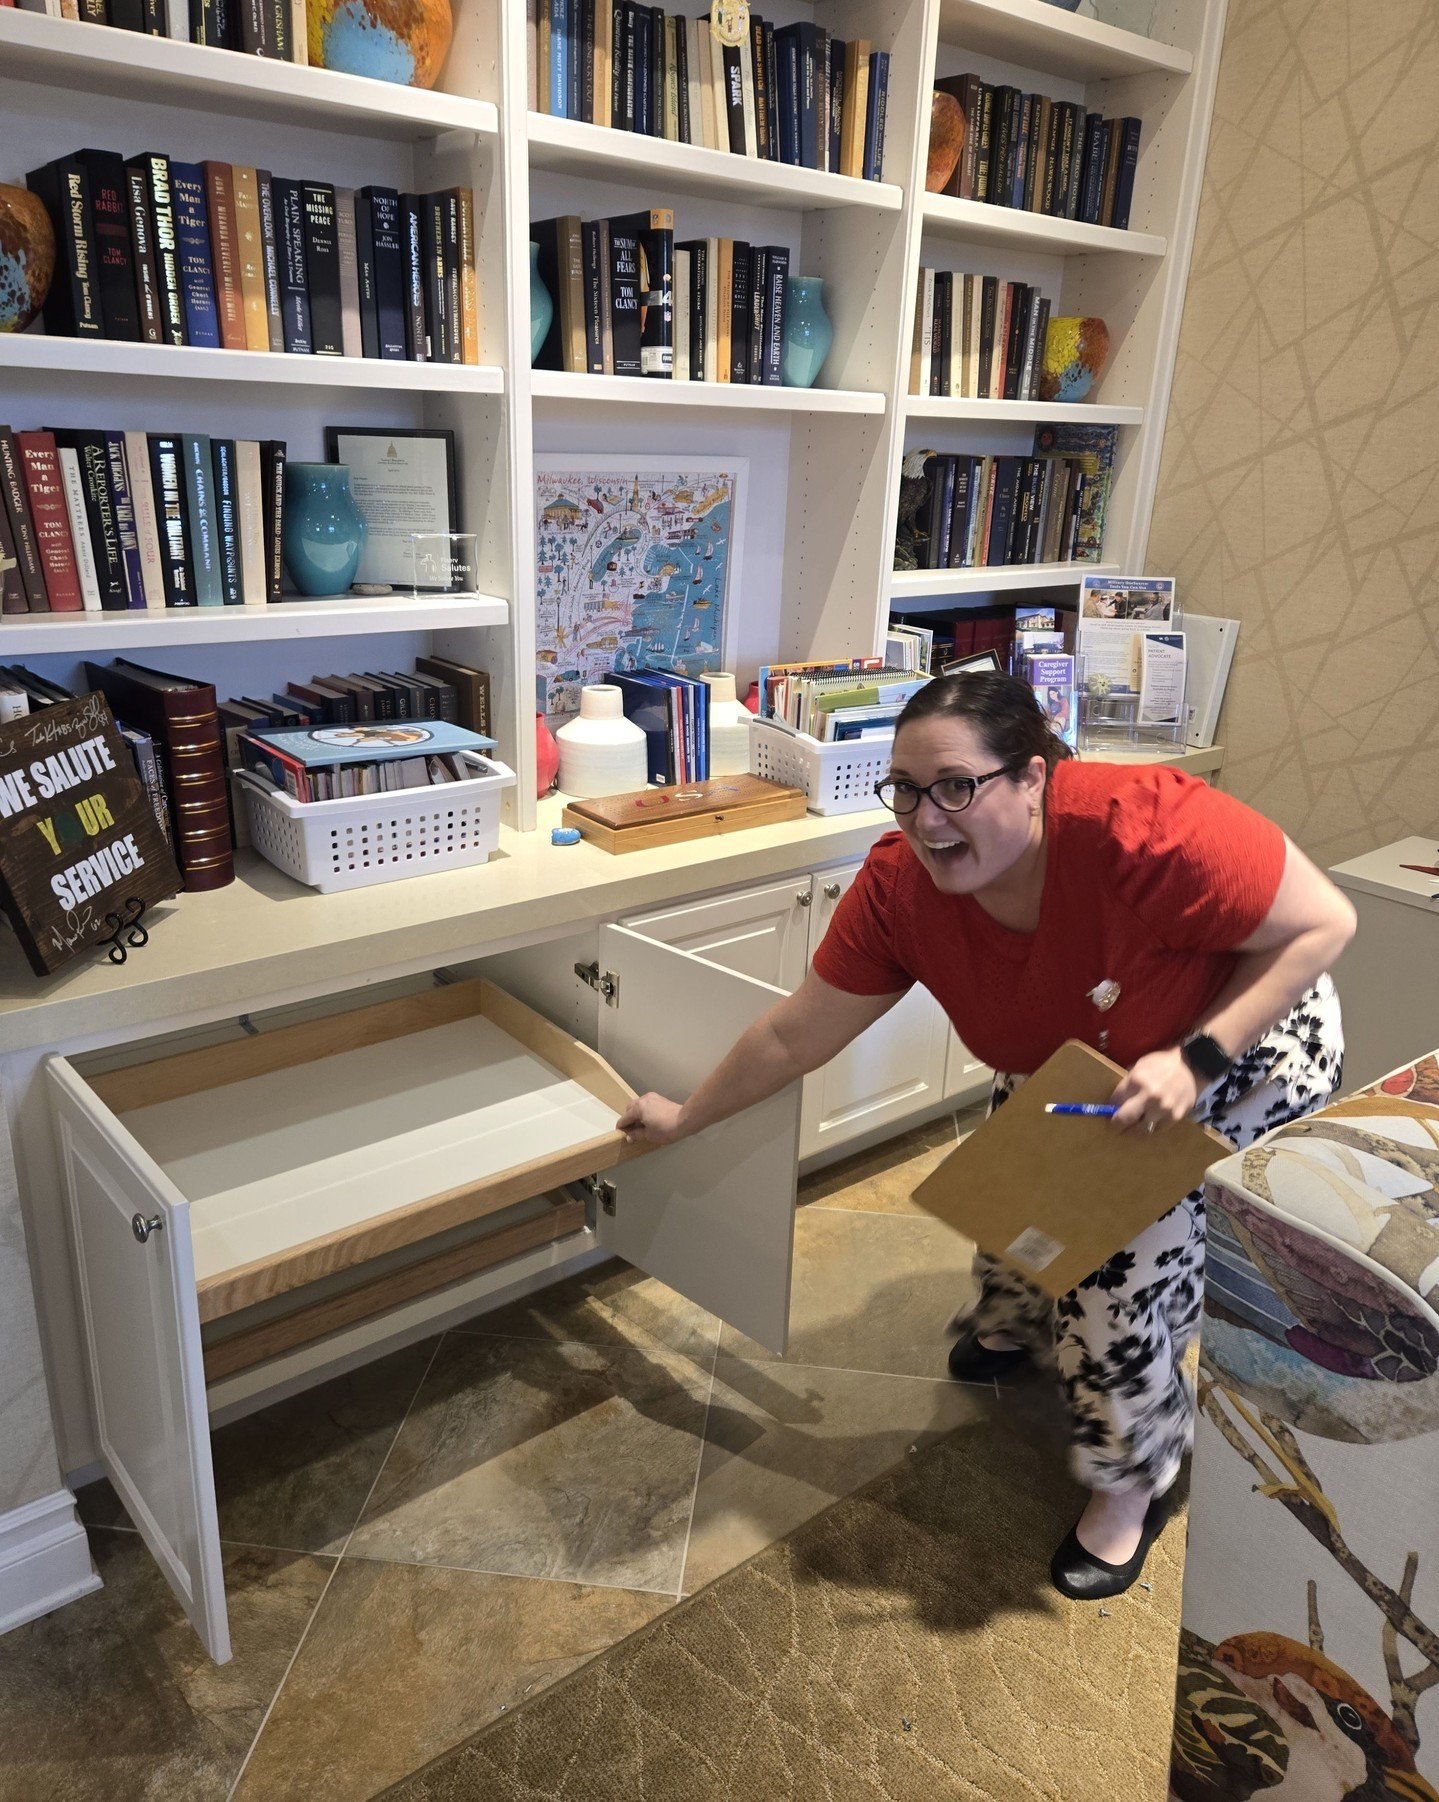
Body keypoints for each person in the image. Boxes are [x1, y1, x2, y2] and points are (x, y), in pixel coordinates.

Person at [617, 672, 1355, 1601]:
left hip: (1244, 1043)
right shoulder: (899, 891)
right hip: (1086, 1053)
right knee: (1015, 1181)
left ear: (1035, 778)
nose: (927, 819)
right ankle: (1012, 1320)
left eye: (957, 785)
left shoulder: (1142, 826)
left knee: (1113, 1274)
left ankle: (1133, 1483)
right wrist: (686, 1117)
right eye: (907, 789)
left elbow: (1325, 923)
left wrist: (1197, 1059)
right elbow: (792, 1031)